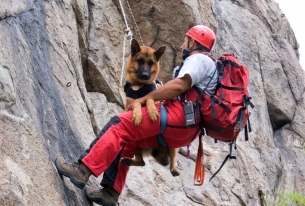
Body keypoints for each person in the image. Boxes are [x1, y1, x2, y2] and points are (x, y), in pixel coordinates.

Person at [55, 25, 218, 206]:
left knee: (119, 124)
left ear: (193, 41)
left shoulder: (199, 60)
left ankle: (82, 169)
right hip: (185, 129)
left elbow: (179, 86)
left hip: (176, 118)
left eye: (185, 40)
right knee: (129, 138)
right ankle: (110, 191)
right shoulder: (209, 64)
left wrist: (145, 98)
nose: (181, 46)